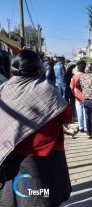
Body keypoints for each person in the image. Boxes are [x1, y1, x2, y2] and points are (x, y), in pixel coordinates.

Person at [0, 50, 72, 206]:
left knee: (18, 195)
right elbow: (67, 117)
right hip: (45, 156)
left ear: (12, 69)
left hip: (11, 155)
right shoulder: (46, 90)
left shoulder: (4, 89)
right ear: (39, 69)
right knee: (42, 196)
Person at [70, 61, 87, 132]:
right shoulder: (87, 76)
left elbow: (71, 87)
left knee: (79, 112)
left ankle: (81, 127)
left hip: (78, 97)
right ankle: (86, 127)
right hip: (86, 97)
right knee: (86, 113)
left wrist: (74, 94)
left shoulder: (75, 76)